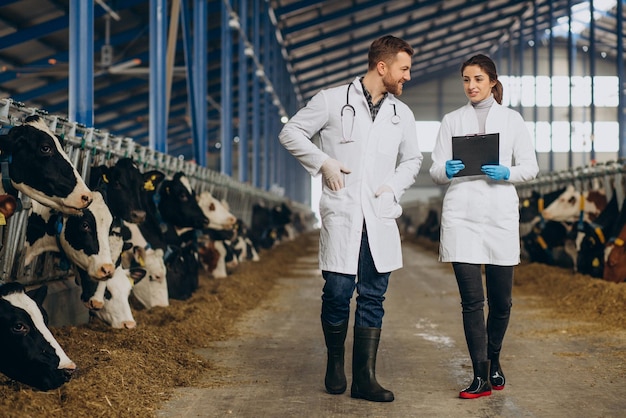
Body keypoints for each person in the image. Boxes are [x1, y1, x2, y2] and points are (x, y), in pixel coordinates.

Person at [278, 35, 422, 403]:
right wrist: (322, 162)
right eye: (403, 69)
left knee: (373, 296)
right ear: (383, 67)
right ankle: (334, 361)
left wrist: (393, 187)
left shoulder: (401, 114)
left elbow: (412, 160)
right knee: (338, 293)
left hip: (379, 214)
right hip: (342, 213)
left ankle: (365, 379)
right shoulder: (330, 100)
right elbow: (290, 132)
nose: (408, 76)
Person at [429, 54, 539, 399]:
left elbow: (530, 168)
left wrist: (509, 173)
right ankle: (479, 376)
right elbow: (434, 171)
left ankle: (494, 360)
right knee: (472, 302)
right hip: (461, 215)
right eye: (465, 79)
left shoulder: (512, 120)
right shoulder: (451, 121)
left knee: (502, 302)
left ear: (492, 81)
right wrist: (446, 169)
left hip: (499, 216)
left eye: (477, 79)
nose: (471, 86)